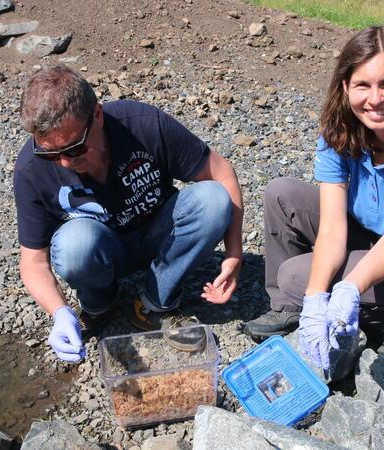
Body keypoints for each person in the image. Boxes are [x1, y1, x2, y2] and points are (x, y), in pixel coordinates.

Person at [244, 25, 384, 369]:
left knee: (296, 275)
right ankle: (292, 310)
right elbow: (333, 229)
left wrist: (347, 290)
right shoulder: (340, 131)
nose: (375, 99)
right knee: (282, 196)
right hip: (371, 236)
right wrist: (315, 300)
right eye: (362, 85)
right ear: (345, 86)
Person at [15, 65, 244, 363]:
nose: (64, 163)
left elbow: (221, 173)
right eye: (49, 153)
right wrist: (59, 312)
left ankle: (154, 301)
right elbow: (33, 262)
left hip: (160, 236)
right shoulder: (31, 170)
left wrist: (234, 254)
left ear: (97, 116)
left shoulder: (141, 125)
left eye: (75, 148)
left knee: (213, 200)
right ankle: (100, 303)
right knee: (74, 244)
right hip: (101, 252)